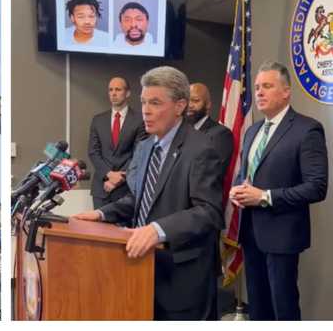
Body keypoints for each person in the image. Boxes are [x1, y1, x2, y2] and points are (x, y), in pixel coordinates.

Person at [75, 66, 223, 320]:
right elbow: (138, 198)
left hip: (182, 279)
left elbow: (208, 212)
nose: (145, 110)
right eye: (144, 102)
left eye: (155, 102)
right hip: (142, 270)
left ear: (180, 106)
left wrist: (157, 229)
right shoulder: (144, 147)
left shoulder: (201, 148)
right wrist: (101, 214)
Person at [229, 62, 328, 321]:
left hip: (282, 236)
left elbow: (316, 187)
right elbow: (246, 174)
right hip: (250, 233)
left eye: (268, 86)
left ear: (286, 92)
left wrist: (264, 197)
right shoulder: (252, 131)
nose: (259, 92)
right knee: (258, 307)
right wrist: (237, 189)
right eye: (258, 87)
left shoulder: (307, 129)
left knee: (283, 308)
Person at [87, 77, 146, 209]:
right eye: (111, 90)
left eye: (118, 89)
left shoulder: (140, 120)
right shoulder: (98, 120)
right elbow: (93, 152)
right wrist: (109, 174)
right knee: (98, 229)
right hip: (101, 188)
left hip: (125, 189)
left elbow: (139, 154)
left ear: (128, 93)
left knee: (123, 229)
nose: (113, 93)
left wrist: (118, 179)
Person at [187, 82, 234, 178]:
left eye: (195, 101)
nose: (190, 105)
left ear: (208, 105)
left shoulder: (221, 134)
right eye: (187, 101)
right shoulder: (181, 132)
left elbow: (212, 172)